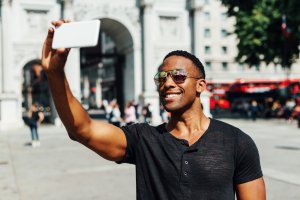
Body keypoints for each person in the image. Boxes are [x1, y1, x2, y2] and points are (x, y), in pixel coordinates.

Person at [41, 20, 266, 200]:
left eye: (178, 76)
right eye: (161, 77)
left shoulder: (237, 142)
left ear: (201, 86)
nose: (167, 83)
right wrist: (55, 73)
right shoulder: (144, 139)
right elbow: (82, 129)